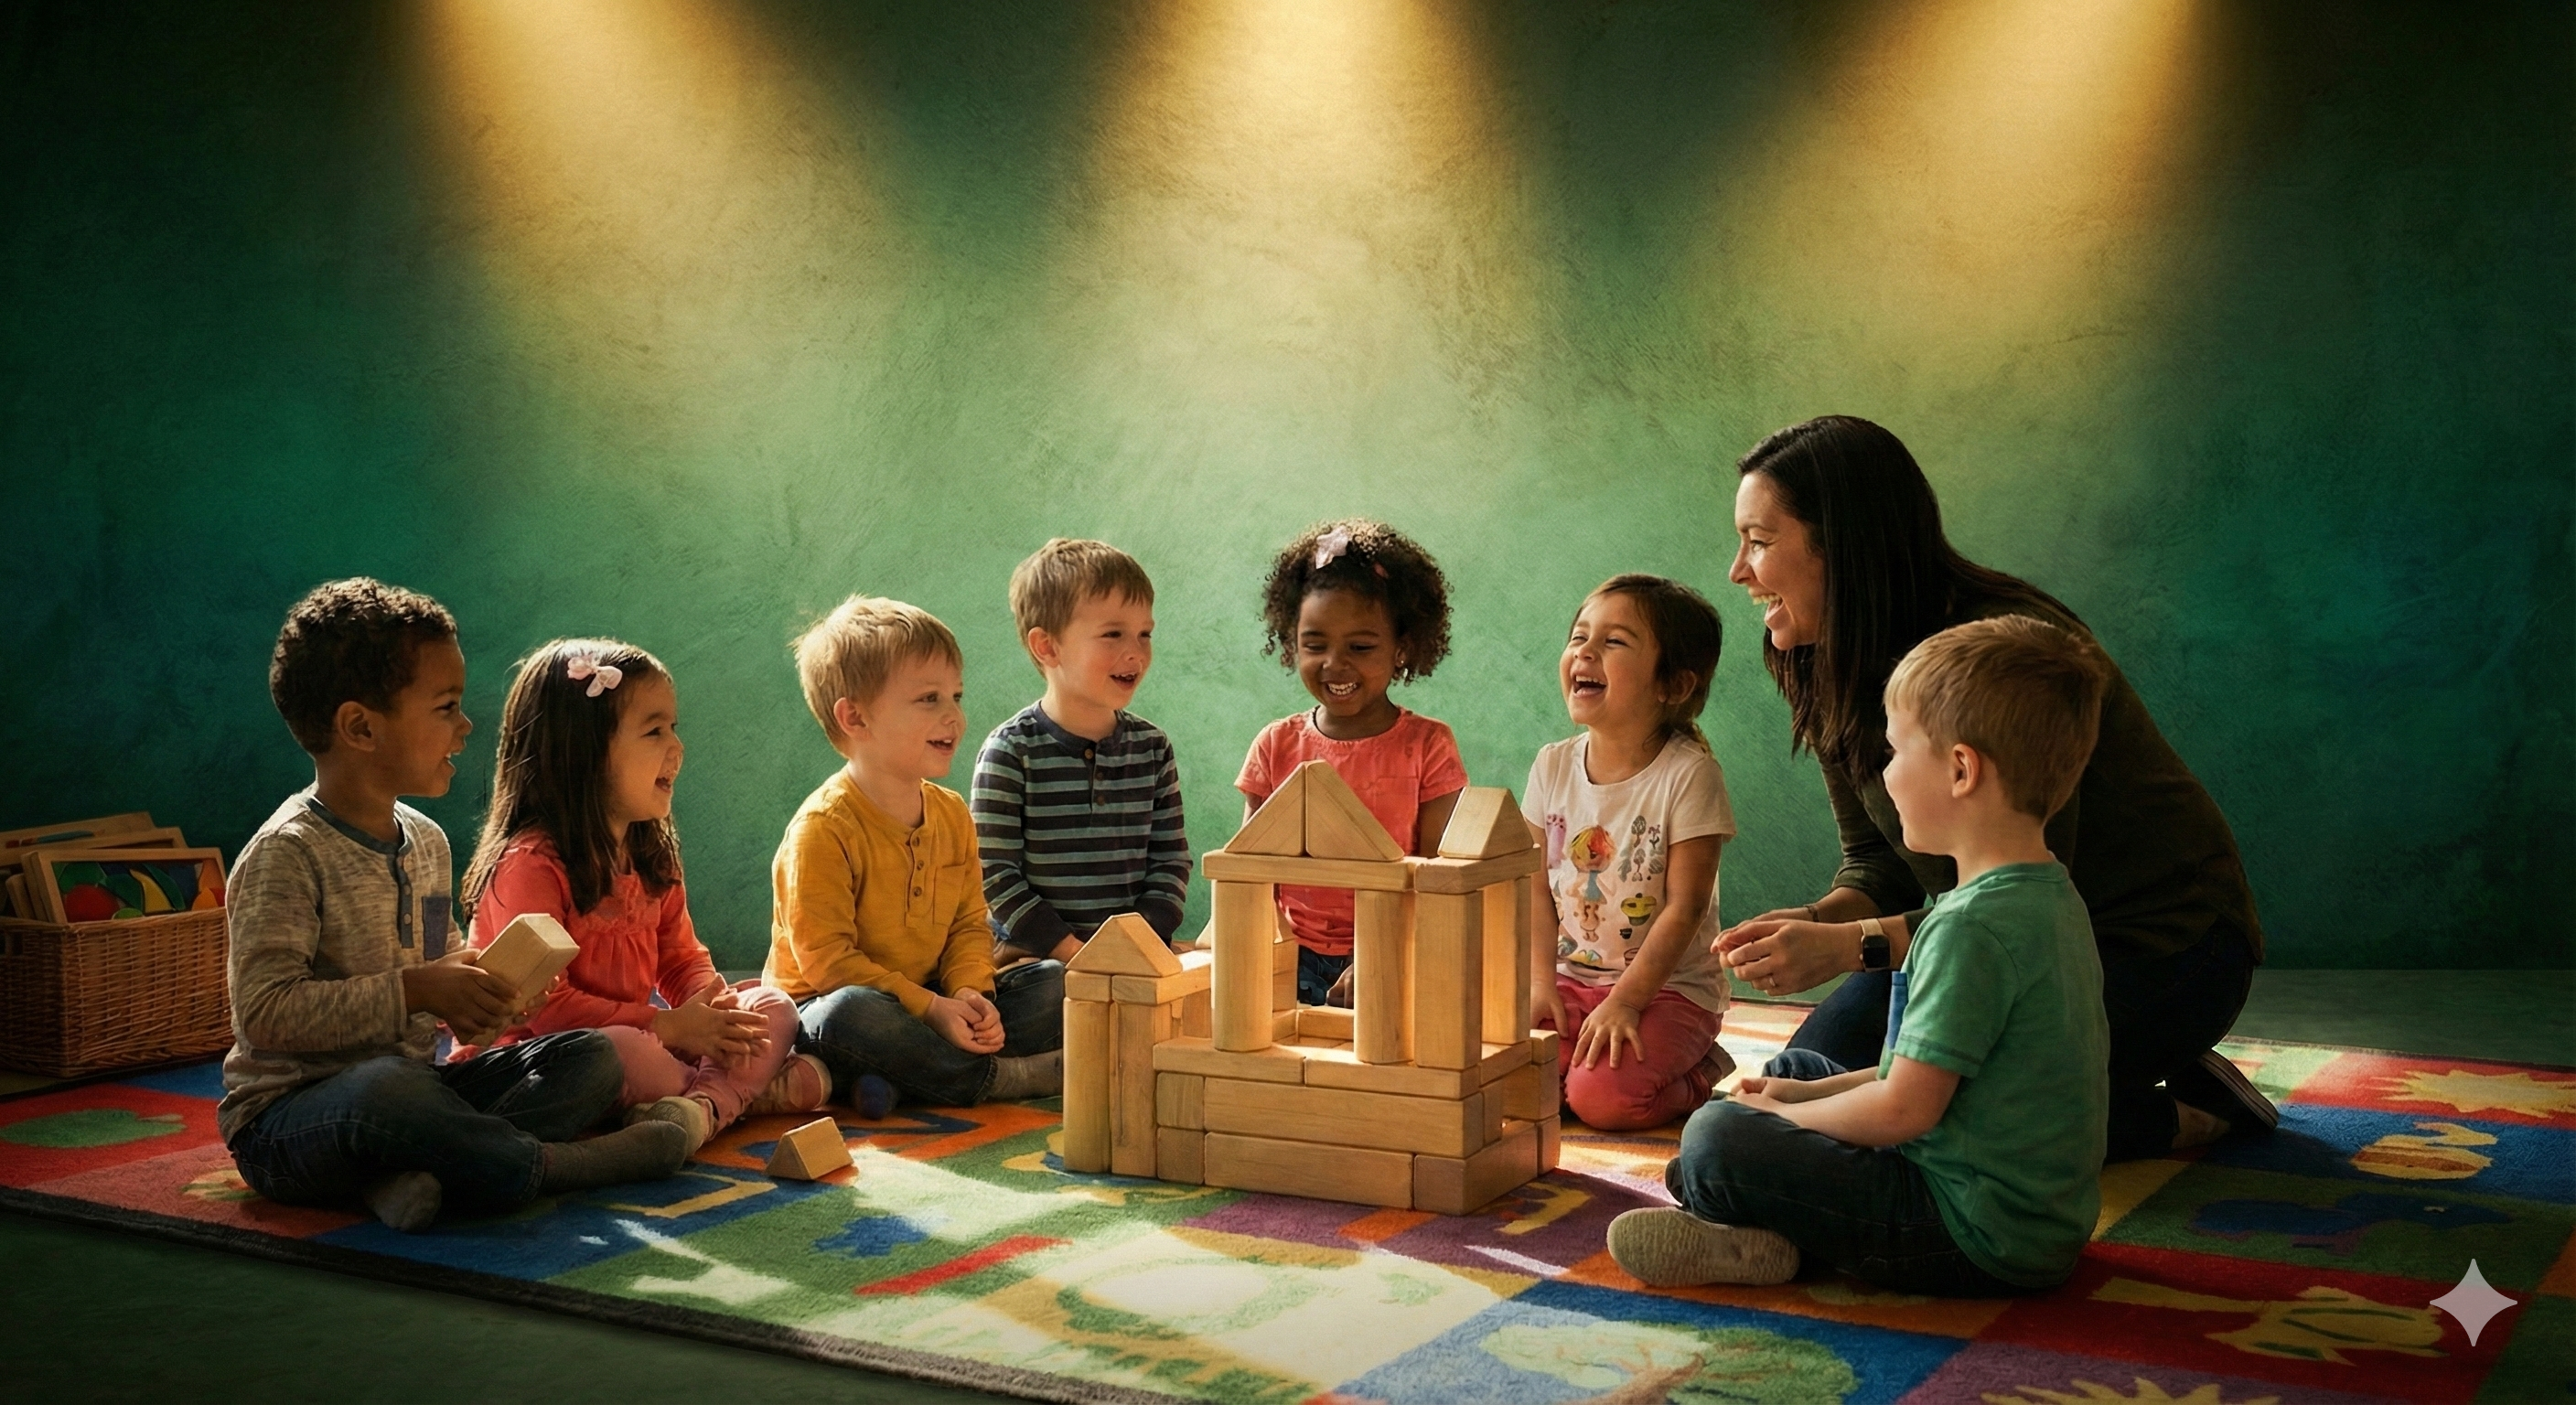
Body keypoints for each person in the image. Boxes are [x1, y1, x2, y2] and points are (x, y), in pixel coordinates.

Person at [1713, 415, 2273, 1160]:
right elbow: (1878, 864)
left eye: (1759, 540)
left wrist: (1851, 946)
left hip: (2149, 949)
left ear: (1843, 544)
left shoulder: (2003, 657)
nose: (1738, 571)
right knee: (1810, 1079)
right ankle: (2102, 1080)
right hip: (1972, 938)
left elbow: (2028, 904)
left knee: (1930, 1114)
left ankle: (2182, 1114)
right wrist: (1815, 924)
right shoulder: (1821, 654)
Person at [1612, 616, 2112, 1293]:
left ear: (1961, 770)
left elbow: (1902, 1111)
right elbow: (1916, 1078)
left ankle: (1752, 1233)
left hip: (1968, 1231)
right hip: (2027, 1219)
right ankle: (1753, 1210)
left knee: (1717, 1138)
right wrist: (1798, 1095)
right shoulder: (2048, 895)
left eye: (1895, 751)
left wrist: (1782, 1118)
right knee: (1792, 1070)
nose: (1886, 772)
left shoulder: (1970, 929)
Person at [220, 580, 686, 1233]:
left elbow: (443, 971)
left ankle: (412, 1175)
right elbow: (267, 1015)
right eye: (446, 708)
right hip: (292, 1123)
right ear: (361, 727)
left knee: (589, 1059)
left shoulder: (428, 843)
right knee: (387, 1088)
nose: (466, 727)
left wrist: (486, 995)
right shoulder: (286, 854)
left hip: (421, 1093)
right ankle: (552, 1167)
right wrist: (415, 989)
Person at [457, 638, 826, 1157]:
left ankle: (699, 1109)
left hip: (652, 1034)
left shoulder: (650, 854)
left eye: (674, 728)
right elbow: (549, 1012)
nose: (677, 747)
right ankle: (737, 1095)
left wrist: (715, 1010)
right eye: (654, 731)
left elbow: (681, 959)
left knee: (771, 1006)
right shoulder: (531, 864)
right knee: (624, 1052)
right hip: (550, 1057)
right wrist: (668, 1026)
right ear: (582, 752)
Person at [767, 595, 1065, 1114]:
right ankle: (999, 1078)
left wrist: (970, 995)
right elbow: (829, 966)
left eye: (955, 696)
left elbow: (969, 925)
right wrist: (931, 1010)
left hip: (933, 996)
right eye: (929, 698)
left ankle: (902, 1079)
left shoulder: (951, 814)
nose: (954, 716)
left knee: (1054, 983)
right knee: (850, 1016)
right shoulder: (823, 829)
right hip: (834, 1005)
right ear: (855, 717)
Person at [1526, 575, 1738, 1132]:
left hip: (1666, 991)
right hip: (1569, 979)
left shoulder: (1690, 775)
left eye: (1614, 642)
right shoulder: (1551, 765)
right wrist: (1539, 981)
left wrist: (1625, 1002)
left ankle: (1704, 1071)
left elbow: (1686, 908)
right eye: (1579, 637)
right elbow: (1532, 885)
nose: (1584, 652)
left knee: (1603, 1101)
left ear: (1673, 684)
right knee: (1514, 1084)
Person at [1238, 520, 1468, 1006]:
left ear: (1402, 647)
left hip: (1395, 950)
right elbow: (1251, 874)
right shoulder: (1276, 745)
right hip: (1288, 955)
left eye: (1360, 647)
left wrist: (1382, 952)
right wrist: (1268, 952)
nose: (1335, 663)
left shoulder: (1429, 745)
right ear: (1291, 643)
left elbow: (1434, 880)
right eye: (1315, 644)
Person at [971, 540, 1191, 967]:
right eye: (1113, 634)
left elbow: (1170, 860)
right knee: (1046, 989)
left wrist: (1138, 943)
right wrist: (1071, 952)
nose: (1136, 651)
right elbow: (994, 874)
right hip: (1037, 960)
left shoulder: (1153, 748)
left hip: (1132, 956)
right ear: (1047, 647)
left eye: (1144, 634)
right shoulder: (1010, 752)